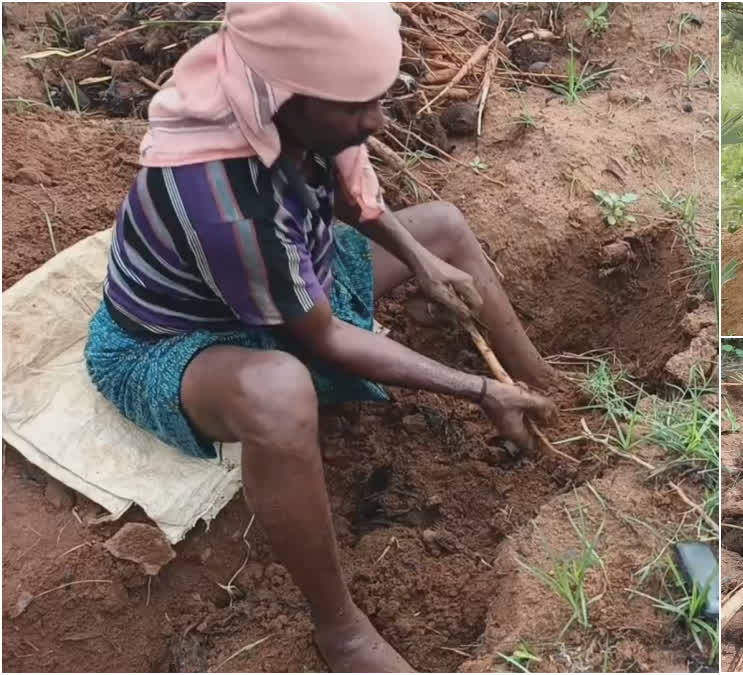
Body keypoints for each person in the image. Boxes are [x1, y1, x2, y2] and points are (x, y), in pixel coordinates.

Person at [84, 3, 555, 671]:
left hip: (281, 279)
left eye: (377, 99)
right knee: (279, 393)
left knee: (443, 228)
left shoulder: (286, 105)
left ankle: (546, 386)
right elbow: (325, 337)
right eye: (356, 107)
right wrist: (477, 389)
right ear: (287, 94)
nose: (376, 122)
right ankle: (341, 630)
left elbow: (342, 189)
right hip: (165, 345)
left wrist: (418, 260)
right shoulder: (227, 198)